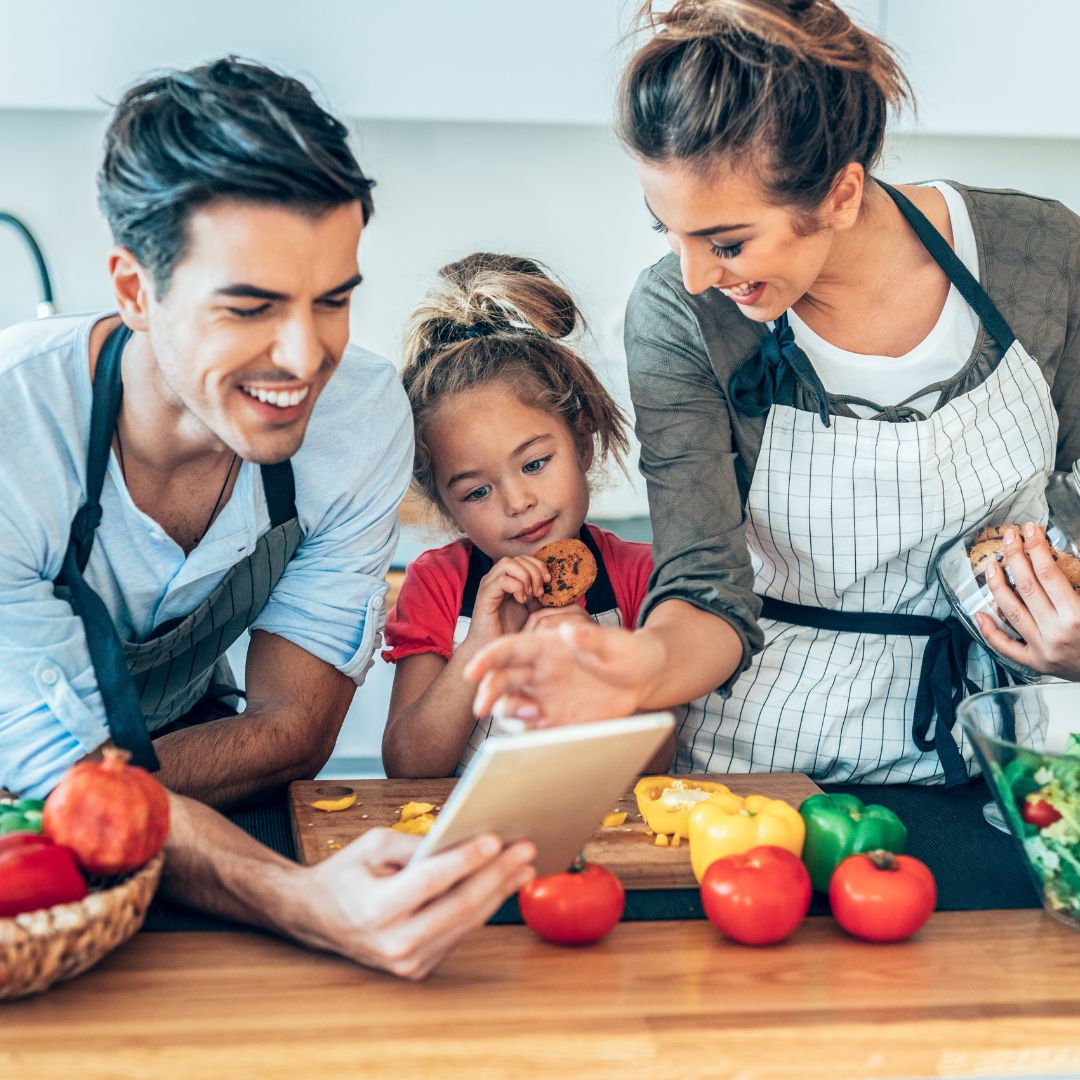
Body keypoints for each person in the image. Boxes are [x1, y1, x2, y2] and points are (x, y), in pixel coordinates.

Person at [0, 58, 533, 979]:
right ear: (134, 289)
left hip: (165, 814)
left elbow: (293, 729)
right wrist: (307, 903)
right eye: (250, 307)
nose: (304, 356)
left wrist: (94, 787)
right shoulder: (15, 432)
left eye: (333, 300)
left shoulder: (362, 419)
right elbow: (53, 783)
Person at [465, 0, 1080, 786]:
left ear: (841, 195)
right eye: (667, 230)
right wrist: (639, 666)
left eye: (726, 243)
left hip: (1006, 746)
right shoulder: (678, 315)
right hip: (767, 762)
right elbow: (706, 589)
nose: (693, 276)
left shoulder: (1042, 256)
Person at [381, 253, 664, 777]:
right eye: (477, 492)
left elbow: (658, 764)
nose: (517, 502)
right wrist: (479, 649)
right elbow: (407, 766)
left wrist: (606, 665)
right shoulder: (438, 584)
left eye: (535, 463)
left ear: (581, 440)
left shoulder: (640, 575)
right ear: (446, 506)